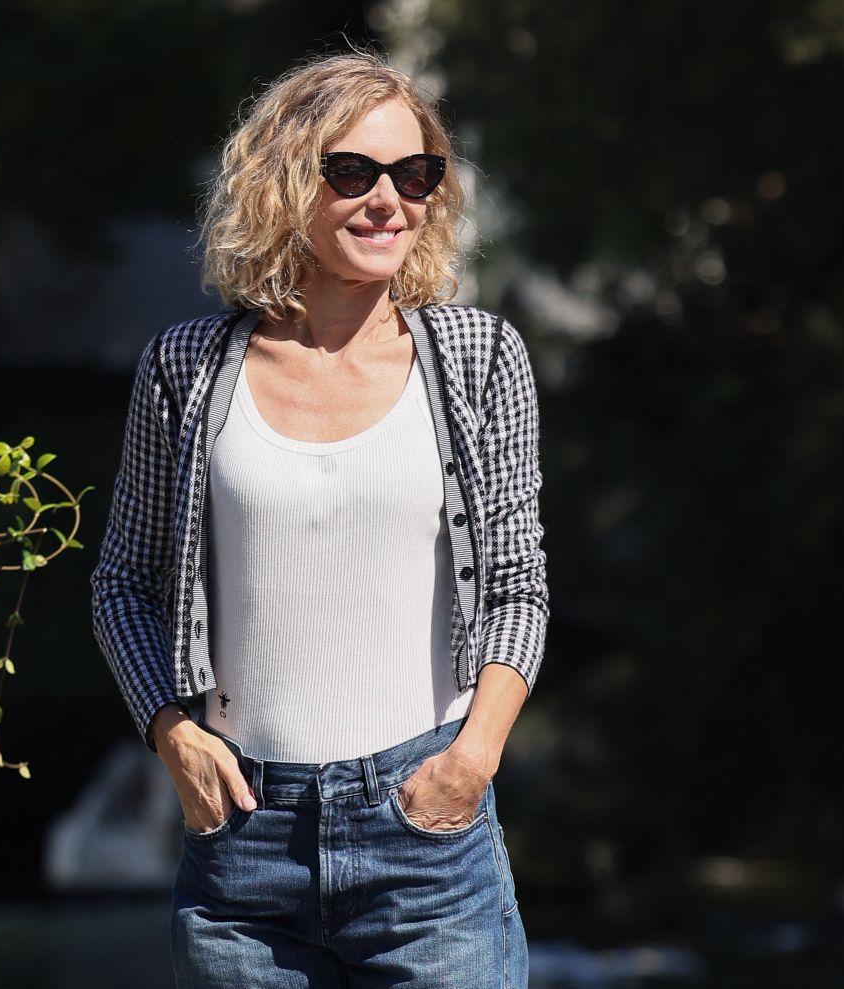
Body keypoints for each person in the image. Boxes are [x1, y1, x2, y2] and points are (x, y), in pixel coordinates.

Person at [91, 51, 548, 988]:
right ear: (285, 181)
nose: (389, 200)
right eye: (354, 171)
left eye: (415, 175)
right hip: (241, 844)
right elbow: (122, 585)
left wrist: (471, 761)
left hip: (430, 837)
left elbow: (517, 585)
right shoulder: (184, 367)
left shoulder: (479, 357)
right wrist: (171, 733)